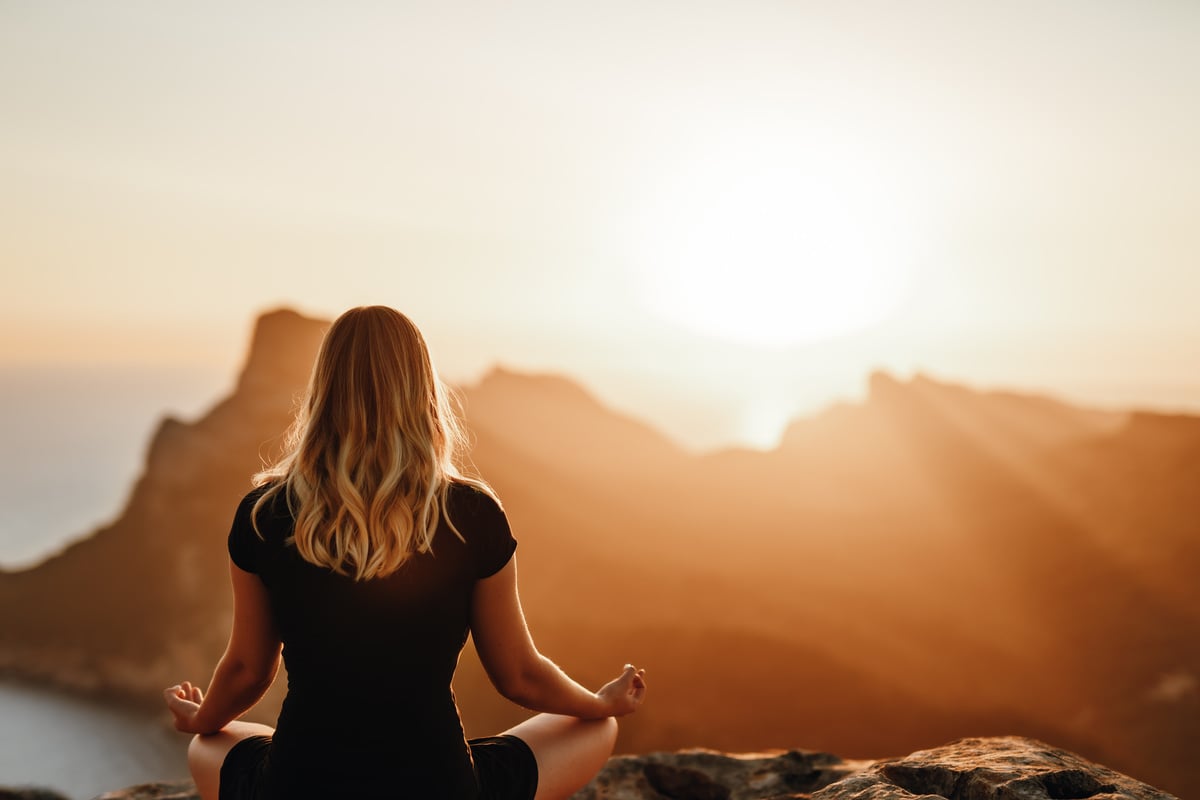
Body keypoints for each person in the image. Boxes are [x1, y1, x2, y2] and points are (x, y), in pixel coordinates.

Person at [164, 306, 646, 800]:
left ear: (324, 390)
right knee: (597, 728)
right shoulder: (472, 513)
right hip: (439, 784)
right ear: (422, 390)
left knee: (212, 743)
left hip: (299, 784)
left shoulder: (263, 514)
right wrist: (598, 701)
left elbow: (248, 671)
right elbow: (519, 676)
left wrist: (199, 717)